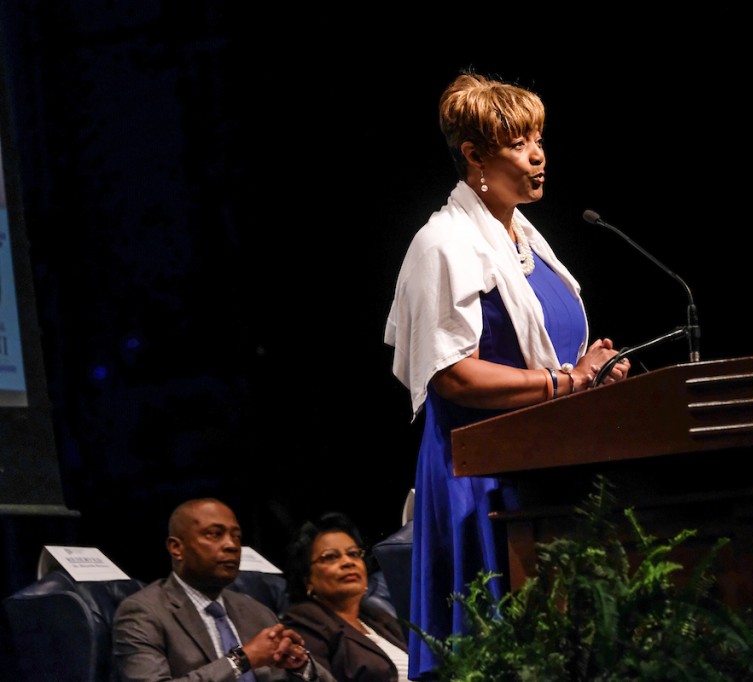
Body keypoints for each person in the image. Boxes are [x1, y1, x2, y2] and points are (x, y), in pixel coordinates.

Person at [383, 69, 630, 679]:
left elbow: (548, 359)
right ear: (474, 155)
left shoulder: (527, 242)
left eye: (540, 138)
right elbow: (454, 378)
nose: (539, 155)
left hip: (545, 467)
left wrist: (593, 373)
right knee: (491, 647)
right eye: (520, 143)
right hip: (479, 475)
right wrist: (569, 384)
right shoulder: (443, 243)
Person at [112, 497, 337, 682]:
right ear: (176, 548)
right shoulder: (143, 613)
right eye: (215, 534)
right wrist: (241, 659)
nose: (231, 545)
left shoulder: (256, 611)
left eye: (236, 537)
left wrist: (301, 666)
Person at [281, 512, 410, 682]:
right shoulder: (305, 622)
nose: (348, 562)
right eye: (331, 557)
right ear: (308, 579)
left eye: (353, 554)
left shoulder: (380, 619)